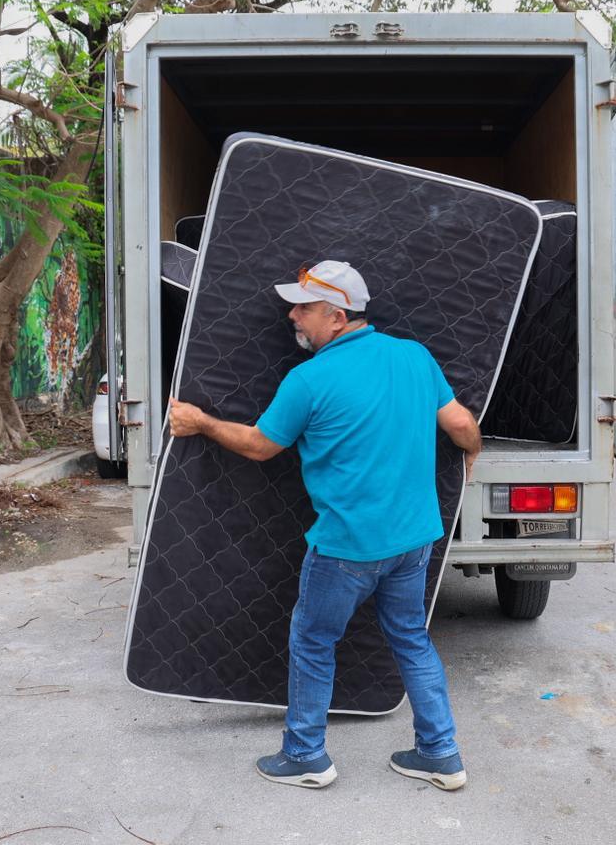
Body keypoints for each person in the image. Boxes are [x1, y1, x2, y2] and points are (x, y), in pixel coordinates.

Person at [168, 259, 482, 792]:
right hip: (414, 540)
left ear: (337, 317)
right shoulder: (413, 355)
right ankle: (441, 754)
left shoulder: (308, 379)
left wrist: (200, 422)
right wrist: (471, 454)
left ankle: (305, 755)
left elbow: (260, 446)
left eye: (304, 308)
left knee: (313, 641)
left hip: (347, 547)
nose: (293, 316)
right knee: (410, 639)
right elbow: (459, 423)